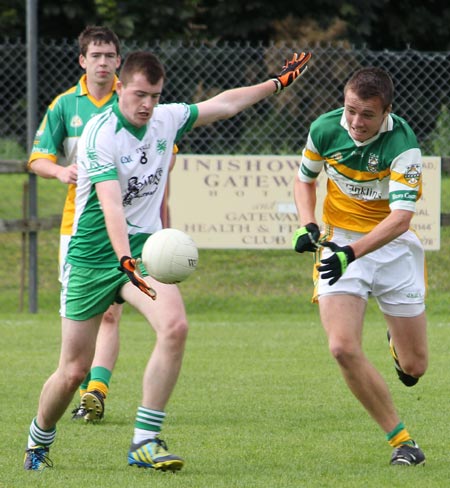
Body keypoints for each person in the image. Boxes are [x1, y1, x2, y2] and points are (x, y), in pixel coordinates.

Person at [23, 49, 312, 471]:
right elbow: (110, 205)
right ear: (121, 87)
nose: (147, 105)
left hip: (143, 250)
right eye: (140, 94)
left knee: (175, 326)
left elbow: (225, 104)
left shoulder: (165, 118)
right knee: (72, 371)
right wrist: (122, 258)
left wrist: (276, 83)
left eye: (155, 96)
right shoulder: (100, 135)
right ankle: (38, 440)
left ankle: (145, 440)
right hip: (92, 254)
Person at [27, 26, 177, 423]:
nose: (104, 63)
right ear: (83, 61)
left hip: (132, 233)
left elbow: (164, 159)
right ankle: (72, 391)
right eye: (96, 56)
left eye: (111, 55)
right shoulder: (65, 106)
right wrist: (60, 173)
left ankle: (96, 391)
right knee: (82, 336)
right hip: (81, 229)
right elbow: (38, 157)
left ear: (119, 63)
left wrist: (162, 219)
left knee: (115, 315)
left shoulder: (133, 99)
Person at [292, 66, 427, 466]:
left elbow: (400, 218)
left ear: (387, 111)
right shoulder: (324, 129)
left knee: (415, 367)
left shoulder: (404, 146)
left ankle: (397, 344)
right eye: (350, 110)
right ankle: (403, 442)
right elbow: (305, 179)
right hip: (339, 242)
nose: (356, 122)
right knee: (341, 347)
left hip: (391, 243)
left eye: (367, 114)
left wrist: (354, 253)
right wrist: (308, 224)